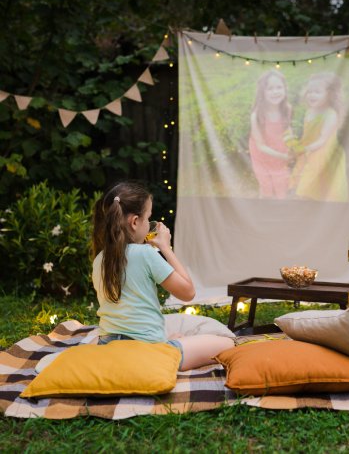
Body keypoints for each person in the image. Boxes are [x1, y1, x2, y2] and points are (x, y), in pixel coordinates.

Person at [91, 181, 234, 370]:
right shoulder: (146, 254)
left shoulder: (100, 259)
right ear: (135, 222)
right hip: (149, 352)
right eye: (148, 217)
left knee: (175, 337)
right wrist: (165, 248)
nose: (149, 222)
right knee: (227, 343)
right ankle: (168, 347)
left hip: (108, 345)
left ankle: (167, 342)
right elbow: (187, 292)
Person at [289, 72, 348, 201]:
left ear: (329, 95)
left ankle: (320, 210)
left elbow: (322, 139)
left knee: (321, 186)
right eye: (309, 91)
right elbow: (308, 135)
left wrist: (304, 150)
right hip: (310, 150)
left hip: (324, 153)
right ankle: (305, 206)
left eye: (317, 92)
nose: (311, 95)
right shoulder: (310, 111)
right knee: (305, 185)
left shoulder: (330, 114)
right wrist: (297, 145)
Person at [248, 70, 293, 198]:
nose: (275, 92)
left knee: (281, 182)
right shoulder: (256, 115)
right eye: (270, 89)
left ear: (285, 89)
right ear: (262, 92)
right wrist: (282, 156)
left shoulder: (287, 108)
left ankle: (281, 207)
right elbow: (261, 145)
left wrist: (291, 143)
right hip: (261, 154)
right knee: (266, 184)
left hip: (279, 148)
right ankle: (264, 208)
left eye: (279, 87)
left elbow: (287, 128)